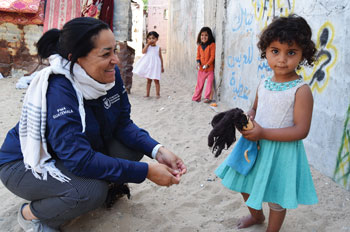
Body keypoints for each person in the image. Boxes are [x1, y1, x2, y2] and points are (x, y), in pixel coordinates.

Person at [0, 17, 186, 232]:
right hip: (23, 164)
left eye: (114, 51)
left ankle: (88, 188)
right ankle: (30, 215)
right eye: (106, 54)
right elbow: (79, 159)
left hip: (66, 153)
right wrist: (146, 172)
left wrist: (157, 150)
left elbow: (123, 124)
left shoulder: (109, 75)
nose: (116, 60)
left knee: (131, 149)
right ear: (76, 59)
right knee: (90, 191)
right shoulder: (59, 90)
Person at [214, 14, 318, 232]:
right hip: (254, 146)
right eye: (275, 51)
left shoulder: (301, 90)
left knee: (277, 197)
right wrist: (248, 117)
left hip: (281, 151)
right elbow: (255, 108)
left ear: (303, 54)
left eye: (291, 52)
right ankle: (257, 216)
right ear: (266, 51)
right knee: (244, 182)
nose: (282, 59)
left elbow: (301, 130)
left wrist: (263, 133)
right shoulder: (264, 83)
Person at [133, 31, 164, 98]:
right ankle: (147, 94)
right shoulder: (148, 47)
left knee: (156, 80)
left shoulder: (158, 48)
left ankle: (158, 94)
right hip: (149, 66)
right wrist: (147, 45)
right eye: (149, 38)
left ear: (157, 39)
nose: (151, 40)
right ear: (147, 39)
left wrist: (162, 66)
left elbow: (160, 57)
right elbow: (143, 52)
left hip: (156, 65)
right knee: (149, 80)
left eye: (153, 38)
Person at [192, 27, 216, 103]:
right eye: (202, 35)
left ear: (209, 36)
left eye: (206, 35)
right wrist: (198, 64)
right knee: (199, 84)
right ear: (200, 36)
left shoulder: (212, 45)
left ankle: (207, 98)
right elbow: (198, 56)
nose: (204, 37)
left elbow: (212, 56)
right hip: (201, 70)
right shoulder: (199, 46)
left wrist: (208, 64)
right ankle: (196, 98)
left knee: (209, 83)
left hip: (209, 70)